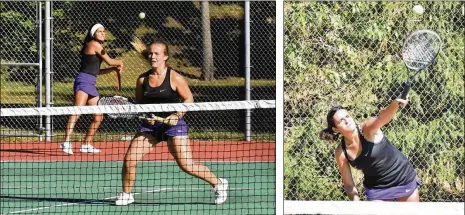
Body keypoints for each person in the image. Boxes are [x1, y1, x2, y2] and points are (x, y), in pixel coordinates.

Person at [114, 41, 228, 206]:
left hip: (174, 125)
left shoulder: (174, 77)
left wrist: (177, 114)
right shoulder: (142, 79)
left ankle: (219, 183)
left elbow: (188, 99)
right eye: (151, 53)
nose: (153, 56)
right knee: (129, 160)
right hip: (151, 127)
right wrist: (145, 116)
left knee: (186, 164)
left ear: (165, 56)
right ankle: (126, 194)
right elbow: (139, 104)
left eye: (157, 53)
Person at [320, 98, 421, 201]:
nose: (347, 121)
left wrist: (395, 103)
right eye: (341, 120)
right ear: (335, 129)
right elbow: (349, 185)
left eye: (347, 116)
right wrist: (356, 204)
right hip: (377, 189)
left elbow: (383, 117)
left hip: (402, 178)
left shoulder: (366, 129)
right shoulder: (341, 152)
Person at [61, 23, 124, 155]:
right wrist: (119, 63)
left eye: (103, 31)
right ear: (93, 34)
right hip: (83, 81)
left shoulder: (95, 47)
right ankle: (66, 142)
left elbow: (95, 71)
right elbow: (111, 61)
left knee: (98, 117)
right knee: (77, 111)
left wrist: (113, 70)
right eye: (99, 31)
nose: (102, 33)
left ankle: (86, 144)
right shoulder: (94, 44)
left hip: (91, 83)